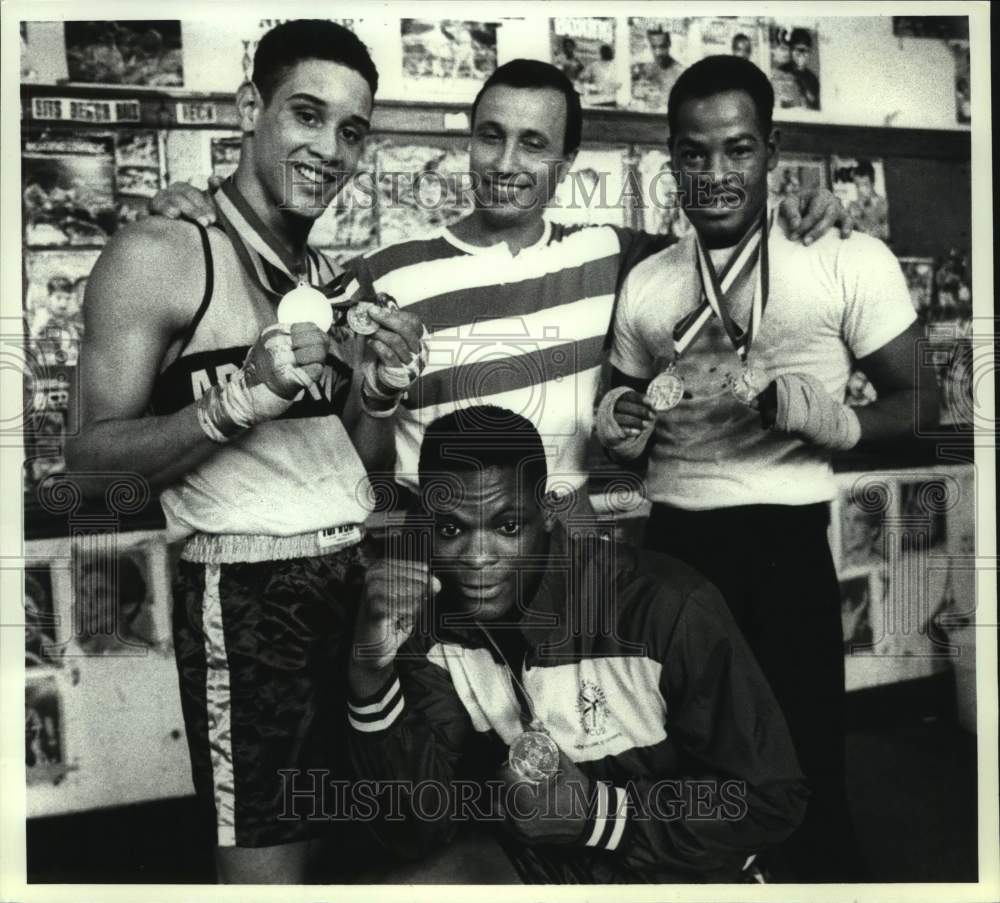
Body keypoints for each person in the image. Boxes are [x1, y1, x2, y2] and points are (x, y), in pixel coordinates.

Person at [150, 60, 850, 519]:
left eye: (535, 144)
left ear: (568, 161)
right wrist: (198, 211)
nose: (507, 163)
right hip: (443, 562)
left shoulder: (613, 254)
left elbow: (719, 247)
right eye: (491, 136)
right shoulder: (382, 271)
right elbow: (330, 425)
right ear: (469, 143)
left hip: (572, 561)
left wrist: (808, 204)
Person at [66, 20, 425, 884]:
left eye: (351, 130)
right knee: (268, 869)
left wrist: (376, 388)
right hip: (249, 598)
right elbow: (85, 465)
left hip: (355, 581)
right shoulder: (164, 252)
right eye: (307, 114)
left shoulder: (329, 281)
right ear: (249, 107)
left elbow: (361, 468)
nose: (329, 148)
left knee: (364, 852)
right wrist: (232, 405)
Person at [597, 55, 938, 881]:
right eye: (694, 152)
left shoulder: (844, 254)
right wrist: (618, 421)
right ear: (669, 156)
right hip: (673, 545)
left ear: (773, 149)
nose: (716, 174)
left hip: (786, 542)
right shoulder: (648, 279)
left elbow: (924, 404)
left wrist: (840, 421)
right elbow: (619, 394)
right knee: (682, 754)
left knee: (803, 758)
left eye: (738, 150)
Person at [346, 405, 808, 883]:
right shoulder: (426, 620)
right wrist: (370, 676)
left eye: (507, 527)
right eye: (451, 529)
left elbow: (769, 800)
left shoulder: (665, 607)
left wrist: (599, 817)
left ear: (547, 512)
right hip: (544, 868)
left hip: (680, 873)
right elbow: (419, 828)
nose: (478, 558)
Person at [848, 159, 889, 241]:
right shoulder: (852, 207)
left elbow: (887, 234)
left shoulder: (883, 205)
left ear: (873, 183)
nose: (860, 190)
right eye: (857, 185)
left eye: (864, 184)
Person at [789, 28, 820, 110]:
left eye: (805, 51)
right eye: (798, 50)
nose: (801, 55)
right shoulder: (783, 74)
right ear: (791, 51)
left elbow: (813, 102)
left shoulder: (813, 79)